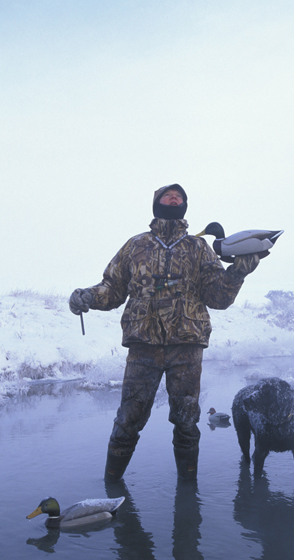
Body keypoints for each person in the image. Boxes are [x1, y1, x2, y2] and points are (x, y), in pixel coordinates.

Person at [69, 184, 260, 482]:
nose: (174, 198)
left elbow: (218, 298)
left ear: (185, 205)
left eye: (179, 196)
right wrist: (87, 297)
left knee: (187, 420)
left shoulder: (198, 248)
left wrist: (237, 273)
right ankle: (111, 484)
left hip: (187, 346)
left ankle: (187, 493)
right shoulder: (135, 246)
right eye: (168, 195)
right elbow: (113, 288)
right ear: (156, 203)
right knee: (128, 418)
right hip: (143, 345)